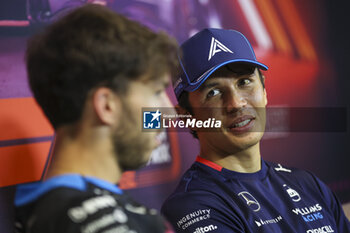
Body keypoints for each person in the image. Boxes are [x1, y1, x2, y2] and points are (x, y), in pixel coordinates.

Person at [161, 28, 350, 232]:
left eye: (244, 82)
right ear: (185, 116)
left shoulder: (308, 184)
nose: (236, 103)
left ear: (264, 90)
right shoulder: (191, 207)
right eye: (213, 92)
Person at [14, 4, 179, 233]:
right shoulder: (94, 223)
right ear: (107, 105)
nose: (169, 112)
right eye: (156, 92)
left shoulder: (56, 212)